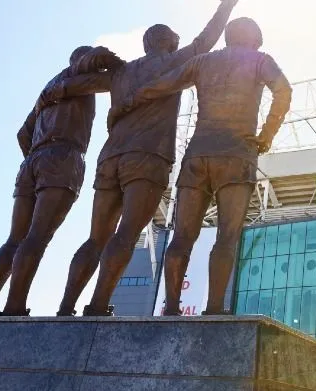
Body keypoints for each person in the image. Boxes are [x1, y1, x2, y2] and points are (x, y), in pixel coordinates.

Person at [53, 0, 239, 317]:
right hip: (147, 157)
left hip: (110, 157)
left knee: (95, 238)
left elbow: (72, 84)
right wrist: (227, 4)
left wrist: (64, 80)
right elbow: (206, 39)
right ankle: (97, 306)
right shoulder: (174, 61)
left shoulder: (120, 72)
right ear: (167, 42)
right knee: (126, 235)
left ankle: (66, 307)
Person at [112, 17, 292, 315]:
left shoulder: (202, 62)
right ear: (254, 39)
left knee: (182, 236)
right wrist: (266, 135)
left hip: (196, 157)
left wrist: (125, 103)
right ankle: (214, 309)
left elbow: (160, 86)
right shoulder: (260, 60)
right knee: (226, 237)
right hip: (237, 154)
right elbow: (284, 91)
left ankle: (170, 309)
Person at [0, 46, 124, 316]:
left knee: (14, 240)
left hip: (32, 160)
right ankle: (14, 306)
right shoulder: (77, 76)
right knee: (37, 237)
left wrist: (37, 156)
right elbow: (100, 61)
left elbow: (23, 133)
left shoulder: (48, 88)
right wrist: (121, 66)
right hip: (62, 156)